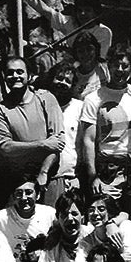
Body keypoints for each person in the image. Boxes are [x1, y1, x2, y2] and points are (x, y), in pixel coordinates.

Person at [0, 56, 64, 213]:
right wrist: (41, 144)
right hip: (19, 182)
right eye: (10, 73)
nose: (15, 76)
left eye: (20, 72)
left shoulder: (46, 99)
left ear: (29, 76)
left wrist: (44, 172)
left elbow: (57, 142)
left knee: (53, 223)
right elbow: (5, 147)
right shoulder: (1, 110)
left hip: (50, 176)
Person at [79, 42, 131, 215]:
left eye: (125, 65)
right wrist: (93, 177)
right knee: (106, 217)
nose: (119, 69)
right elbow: (88, 140)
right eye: (115, 65)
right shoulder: (93, 98)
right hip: (108, 169)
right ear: (108, 66)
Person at [15, 0, 113, 59]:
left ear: (96, 12)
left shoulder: (103, 32)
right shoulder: (71, 23)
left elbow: (94, 60)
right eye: (79, 11)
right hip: (70, 69)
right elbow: (45, 10)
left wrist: (65, 49)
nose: (83, 14)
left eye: (87, 10)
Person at [0, 176, 56, 262]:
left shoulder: (49, 214)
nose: (24, 198)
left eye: (29, 192)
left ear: (38, 195)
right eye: (19, 193)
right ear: (13, 197)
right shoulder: (1, 218)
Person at [41, 60, 84, 205]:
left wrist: (79, 176)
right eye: (59, 78)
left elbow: (84, 145)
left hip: (71, 179)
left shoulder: (80, 108)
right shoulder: (39, 105)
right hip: (44, 179)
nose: (62, 83)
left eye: (67, 81)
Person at [78, 193, 131, 262]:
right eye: (91, 210)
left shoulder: (125, 226)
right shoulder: (86, 239)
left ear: (110, 212)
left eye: (101, 209)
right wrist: (118, 259)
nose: (95, 213)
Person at [70, 31, 110, 100]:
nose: (86, 54)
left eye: (89, 49)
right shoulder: (73, 76)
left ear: (96, 50)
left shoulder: (106, 69)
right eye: (81, 51)